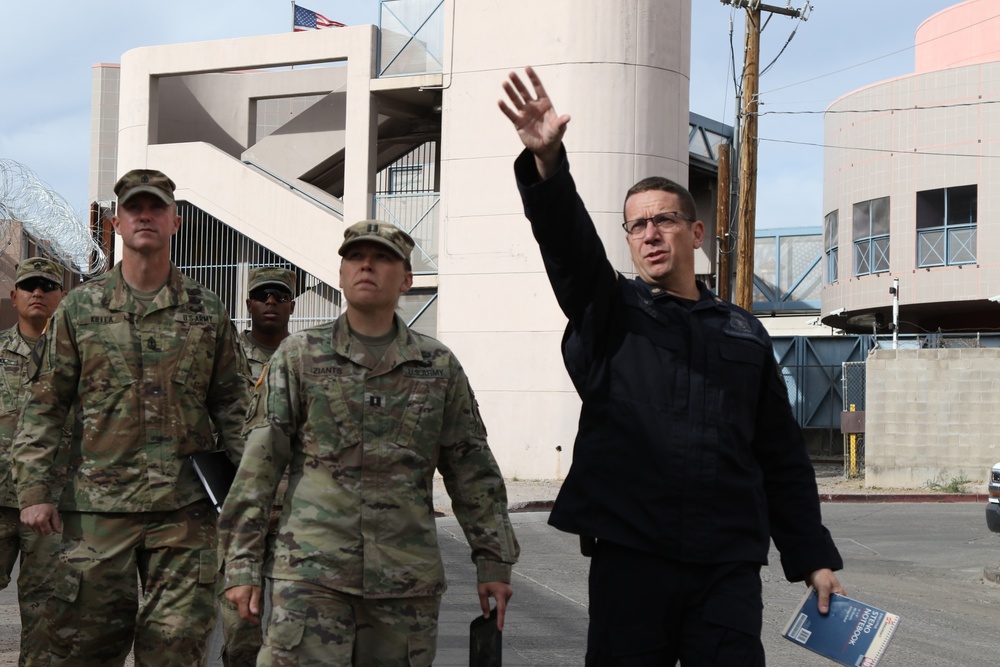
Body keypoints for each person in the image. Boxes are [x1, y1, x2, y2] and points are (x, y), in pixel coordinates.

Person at [499, 66, 844, 665]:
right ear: (628, 239)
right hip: (632, 557)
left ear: (696, 231)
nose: (651, 234)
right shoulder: (608, 312)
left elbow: (780, 455)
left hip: (726, 566)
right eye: (637, 225)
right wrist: (550, 166)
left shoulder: (745, 333)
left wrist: (812, 555)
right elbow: (569, 247)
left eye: (664, 220)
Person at [219, 220, 520, 666]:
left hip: (405, 585)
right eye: (356, 257)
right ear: (340, 274)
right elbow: (259, 467)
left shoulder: (437, 366)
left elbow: (472, 469)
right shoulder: (299, 357)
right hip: (310, 577)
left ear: (406, 279)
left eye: (382, 258)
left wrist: (493, 561)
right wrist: (241, 563)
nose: (366, 265)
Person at [13, 169, 250, 666]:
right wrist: (34, 492)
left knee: (176, 650)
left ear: (175, 221)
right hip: (98, 514)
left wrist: (249, 495)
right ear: (117, 223)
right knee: (83, 649)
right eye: (135, 208)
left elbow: (232, 407)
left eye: (157, 207)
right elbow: (46, 404)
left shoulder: (207, 311)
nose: (146, 215)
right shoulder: (80, 308)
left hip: (184, 515)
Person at [219, 265, 296, 667]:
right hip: (240, 507)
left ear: (292, 305)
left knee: (291, 629)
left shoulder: (304, 360)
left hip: (295, 511)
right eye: (263, 295)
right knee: (241, 629)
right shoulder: (225, 358)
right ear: (248, 302)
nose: (271, 302)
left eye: (279, 296)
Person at [0, 257, 67, 666]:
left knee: (45, 612)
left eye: (47, 285)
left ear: (62, 296)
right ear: (14, 296)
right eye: (29, 285)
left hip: (50, 504)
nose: (38, 292)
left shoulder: (75, 360)